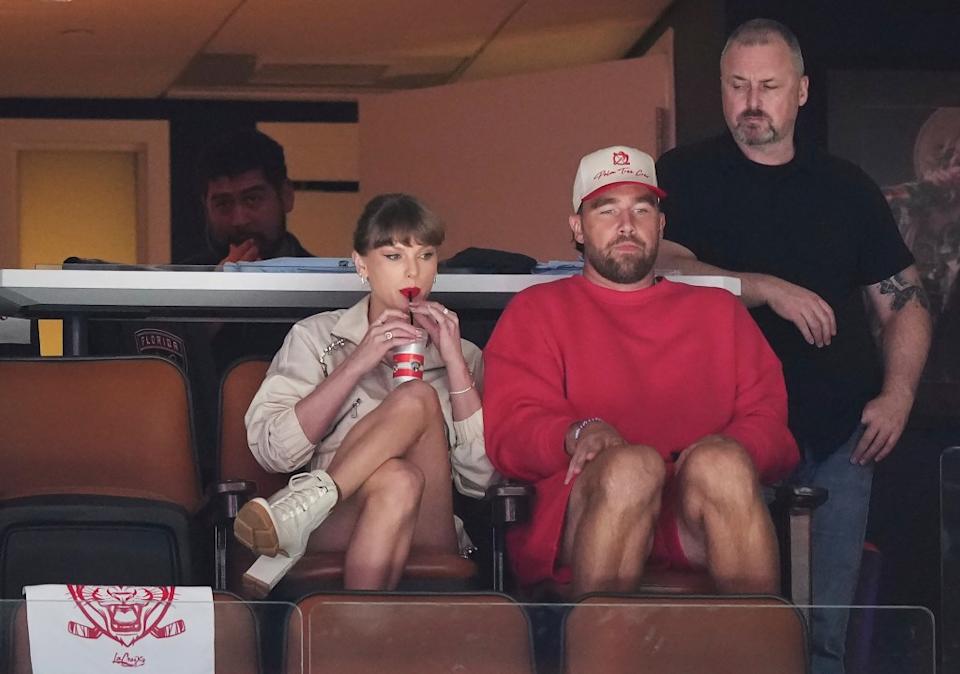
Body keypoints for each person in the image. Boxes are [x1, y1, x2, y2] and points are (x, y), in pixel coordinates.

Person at [654, 19, 933, 674]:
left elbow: (907, 301)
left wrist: (898, 395)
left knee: (824, 640)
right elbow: (659, 262)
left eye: (769, 86)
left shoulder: (847, 187)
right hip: (724, 438)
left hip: (840, 439)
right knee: (734, 636)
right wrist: (762, 287)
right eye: (738, 86)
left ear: (802, 91)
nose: (752, 102)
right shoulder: (685, 173)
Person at [483, 146, 798, 599]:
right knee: (632, 468)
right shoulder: (537, 310)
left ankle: (758, 657)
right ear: (577, 226)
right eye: (606, 209)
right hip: (588, 512)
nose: (626, 225)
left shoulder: (719, 311)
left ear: (661, 224)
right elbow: (510, 433)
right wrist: (577, 433)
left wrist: (723, 450)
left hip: (698, 515)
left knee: (723, 464)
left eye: (641, 209)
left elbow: (772, 429)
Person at [235, 193, 495, 595]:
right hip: (338, 522)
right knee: (397, 478)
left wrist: (454, 361)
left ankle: (297, 513)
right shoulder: (316, 336)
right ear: (361, 264)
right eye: (393, 256)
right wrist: (357, 361)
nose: (412, 272)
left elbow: (481, 481)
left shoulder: (463, 354)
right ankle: (359, 643)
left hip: (429, 524)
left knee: (418, 399)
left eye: (425, 256)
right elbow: (273, 452)